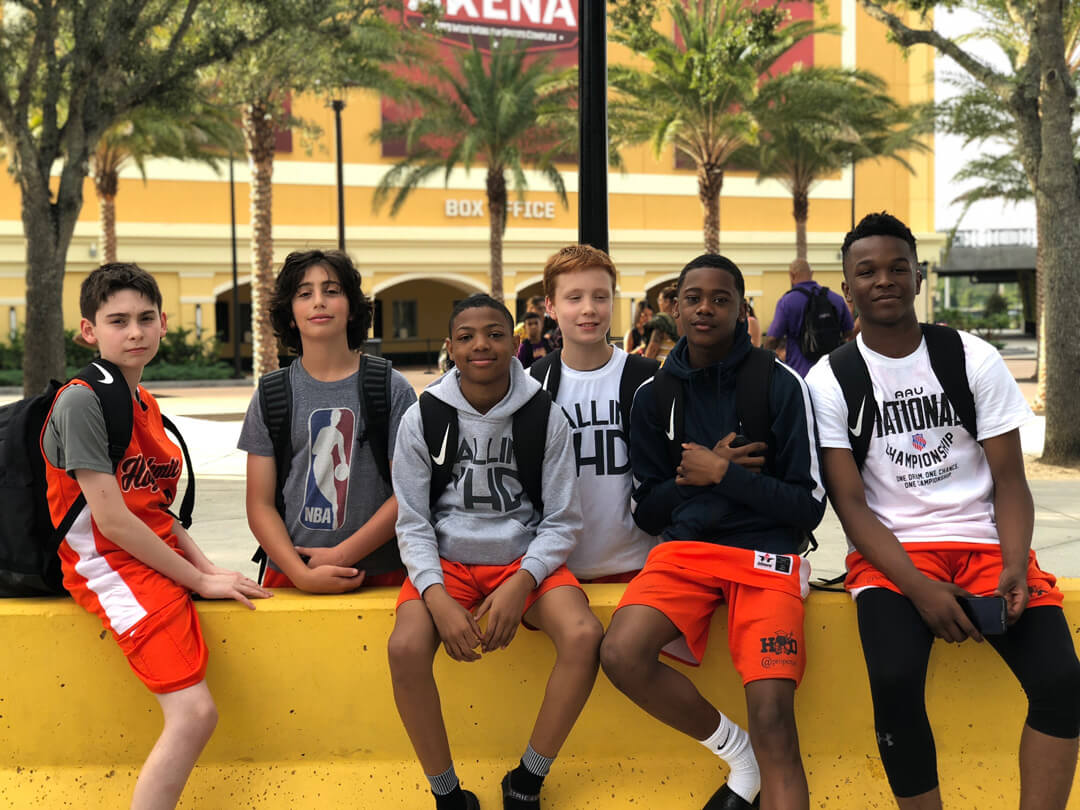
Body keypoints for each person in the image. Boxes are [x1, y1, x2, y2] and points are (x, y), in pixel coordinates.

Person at [806, 212, 1080, 810]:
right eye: (867, 271)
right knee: (895, 685)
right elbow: (850, 505)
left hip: (986, 546)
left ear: (919, 275)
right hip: (892, 556)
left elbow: (1010, 480)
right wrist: (919, 589)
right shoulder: (831, 379)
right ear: (847, 286)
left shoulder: (970, 357)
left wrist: (1015, 562)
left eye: (897, 267)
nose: (884, 279)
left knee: (1063, 683)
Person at [42, 263, 271, 810]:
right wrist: (199, 580)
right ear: (89, 331)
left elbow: (156, 512)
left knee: (199, 710)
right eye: (118, 321)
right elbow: (113, 522)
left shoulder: (143, 402)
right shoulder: (82, 401)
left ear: (164, 323)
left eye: (146, 318)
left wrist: (209, 569)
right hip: (108, 569)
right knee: (195, 714)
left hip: (148, 562)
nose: (135, 332)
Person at [601, 254, 826, 810]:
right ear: (675, 308)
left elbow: (808, 507)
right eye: (693, 298)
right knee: (622, 654)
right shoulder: (653, 395)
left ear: (741, 309)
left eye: (720, 299)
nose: (706, 308)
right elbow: (647, 511)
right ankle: (734, 750)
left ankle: (762, 759)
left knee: (774, 718)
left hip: (766, 558)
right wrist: (696, 477)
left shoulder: (780, 384)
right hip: (686, 554)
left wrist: (723, 473)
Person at [387, 293, 603, 810]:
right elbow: (412, 522)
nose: (481, 345)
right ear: (450, 347)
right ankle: (447, 794)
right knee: (404, 648)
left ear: (515, 343)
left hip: (522, 558)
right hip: (447, 562)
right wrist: (436, 596)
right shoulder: (424, 416)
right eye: (466, 337)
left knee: (583, 636)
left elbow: (562, 520)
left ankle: (527, 778)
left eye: (495, 334)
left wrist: (522, 581)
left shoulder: (544, 416)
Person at [239, 250, 416, 593]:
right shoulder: (271, 394)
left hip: (381, 575)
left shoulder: (390, 388)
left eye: (332, 291)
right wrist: (302, 574)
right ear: (290, 314)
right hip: (292, 574)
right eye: (304, 294)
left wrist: (341, 555)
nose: (318, 301)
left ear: (352, 308)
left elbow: (408, 492)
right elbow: (259, 504)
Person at [536, 244, 659, 582]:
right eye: (574, 298)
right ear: (550, 306)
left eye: (600, 297)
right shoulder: (532, 385)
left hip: (639, 564)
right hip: (555, 572)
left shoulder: (649, 378)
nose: (588, 309)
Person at [764, 258, 854, 376]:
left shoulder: (786, 302)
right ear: (812, 273)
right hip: (833, 371)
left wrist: (763, 355)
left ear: (791, 275)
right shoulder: (836, 299)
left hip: (801, 373)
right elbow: (849, 332)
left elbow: (772, 339)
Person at [643, 285, 680, 364]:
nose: (659, 303)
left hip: (662, 366)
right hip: (677, 365)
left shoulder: (661, 321)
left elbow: (653, 349)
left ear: (667, 302)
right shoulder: (682, 320)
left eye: (660, 300)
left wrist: (644, 365)